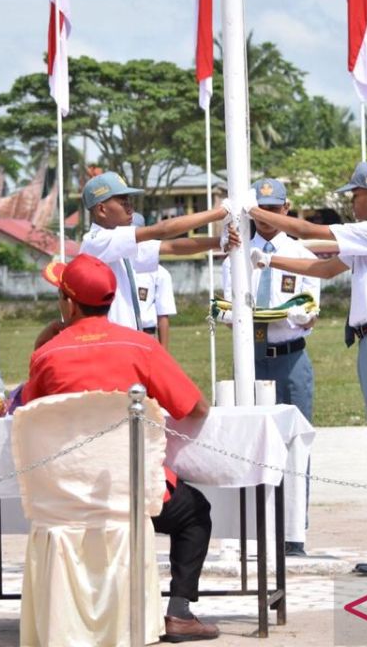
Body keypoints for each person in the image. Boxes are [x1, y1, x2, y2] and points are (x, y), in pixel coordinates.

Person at [23, 254, 220, 642]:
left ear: (68, 303)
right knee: (195, 513)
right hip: (130, 495)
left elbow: (28, 412)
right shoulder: (140, 346)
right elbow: (196, 408)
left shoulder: (47, 355)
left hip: (64, 498)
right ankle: (179, 612)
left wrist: (39, 345)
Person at [246, 161, 367, 576]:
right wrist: (269, 262)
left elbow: (313, 233)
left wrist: (255, 211)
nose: (352, 201)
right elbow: (325, 268)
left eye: (356, 194)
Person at [222, 178, 320, 557]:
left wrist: (300, 315)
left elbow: (311, 309)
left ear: (286, 208)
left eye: (273, 209)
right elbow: (229, 302)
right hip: (251, 358)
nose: (265, 218)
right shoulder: (237, 252)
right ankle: (250, 529)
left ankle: (294, 531)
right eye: (258, 212)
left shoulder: (299, 251)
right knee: (248, 443)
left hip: (290, 355)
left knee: (295, 443)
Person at [78, 171, 234, 332]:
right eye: (123, 202)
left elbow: (171, 247)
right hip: (110, 341)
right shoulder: (95, 240)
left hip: (127, 337)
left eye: (130, 202)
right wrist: (220, 213)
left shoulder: (118, 242)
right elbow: (161, 230)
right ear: (102, 210)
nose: (130, 208)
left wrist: (220, 242)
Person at [131, 213, 178, 348]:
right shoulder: (113, 267)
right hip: (120, 335)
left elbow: (163, 315)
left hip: (146, 336)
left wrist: (163, 353)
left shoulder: (160, 273)